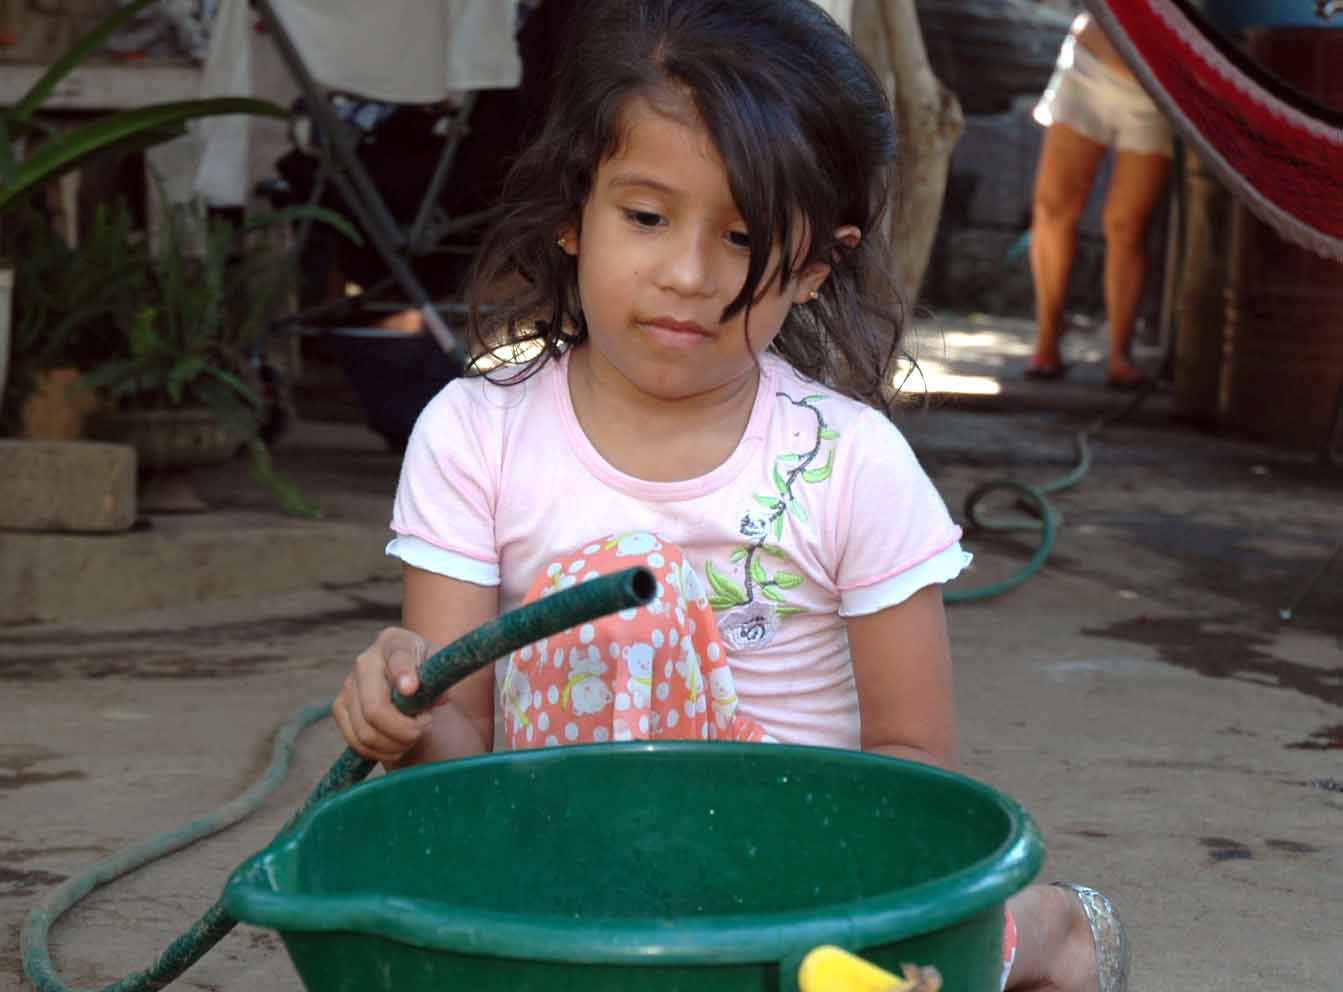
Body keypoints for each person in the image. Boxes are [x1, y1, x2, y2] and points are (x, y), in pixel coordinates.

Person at [331, 2, 1128, 989]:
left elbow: (911, 755)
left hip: (799, 892)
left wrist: (894, 913)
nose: (687, 273)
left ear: (811, 265)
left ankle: (1045, 926)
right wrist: (407, 712)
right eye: (647, 215)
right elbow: (467, 752)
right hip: (557, 886)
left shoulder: (850, 463)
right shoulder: (471, 436)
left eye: (743, 236)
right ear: (575, 210)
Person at [1025, 11, 1173, 391]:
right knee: (1052, 210)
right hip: (1089, 66)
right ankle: (1047, 340)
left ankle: (1120, 356)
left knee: (1128, 227)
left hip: (1159, 86)